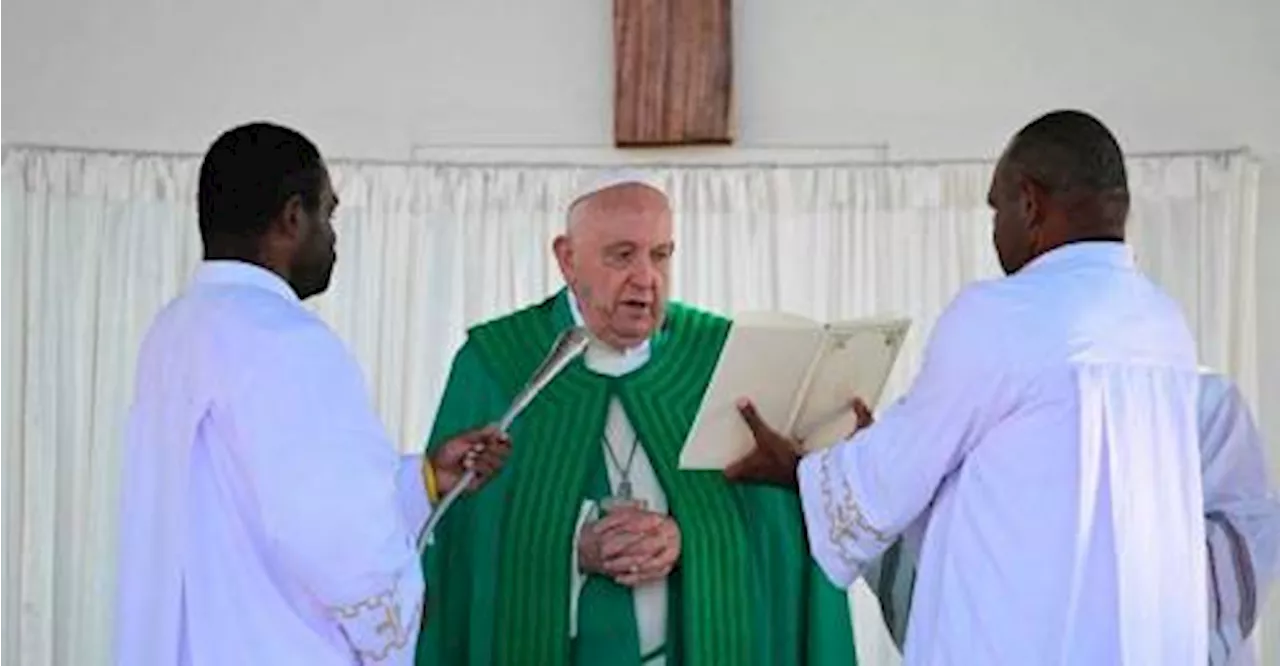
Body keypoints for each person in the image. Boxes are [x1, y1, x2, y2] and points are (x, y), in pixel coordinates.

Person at [728, 109, 1207, 664]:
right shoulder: (1163, 323)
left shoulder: (1000, 314)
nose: (994, 227)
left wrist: (797, 468)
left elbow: (890, 481)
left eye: (995, 207)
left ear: (1029, 203)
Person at [415, 172, 857, 666]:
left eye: (661, 254)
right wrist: (569, 546)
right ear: (567, 258)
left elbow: (781, 534)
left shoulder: (719, 358)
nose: (646, 278)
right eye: (622, 255)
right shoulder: (499, 364)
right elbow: (455, 541)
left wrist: (687, 536)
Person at [114, 122, 511, 666]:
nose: (333, 237)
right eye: (329, 213)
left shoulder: (175, 330)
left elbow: (249, 502)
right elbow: (338, 534)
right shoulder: (284, 339)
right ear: (292, 217)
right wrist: (394, 620)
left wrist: (422, 481)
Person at [863, 369, 1280, 666]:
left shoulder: (1199, 404)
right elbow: (930, 556)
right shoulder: (973, 418)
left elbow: (1242, 552)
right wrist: (858, 469)